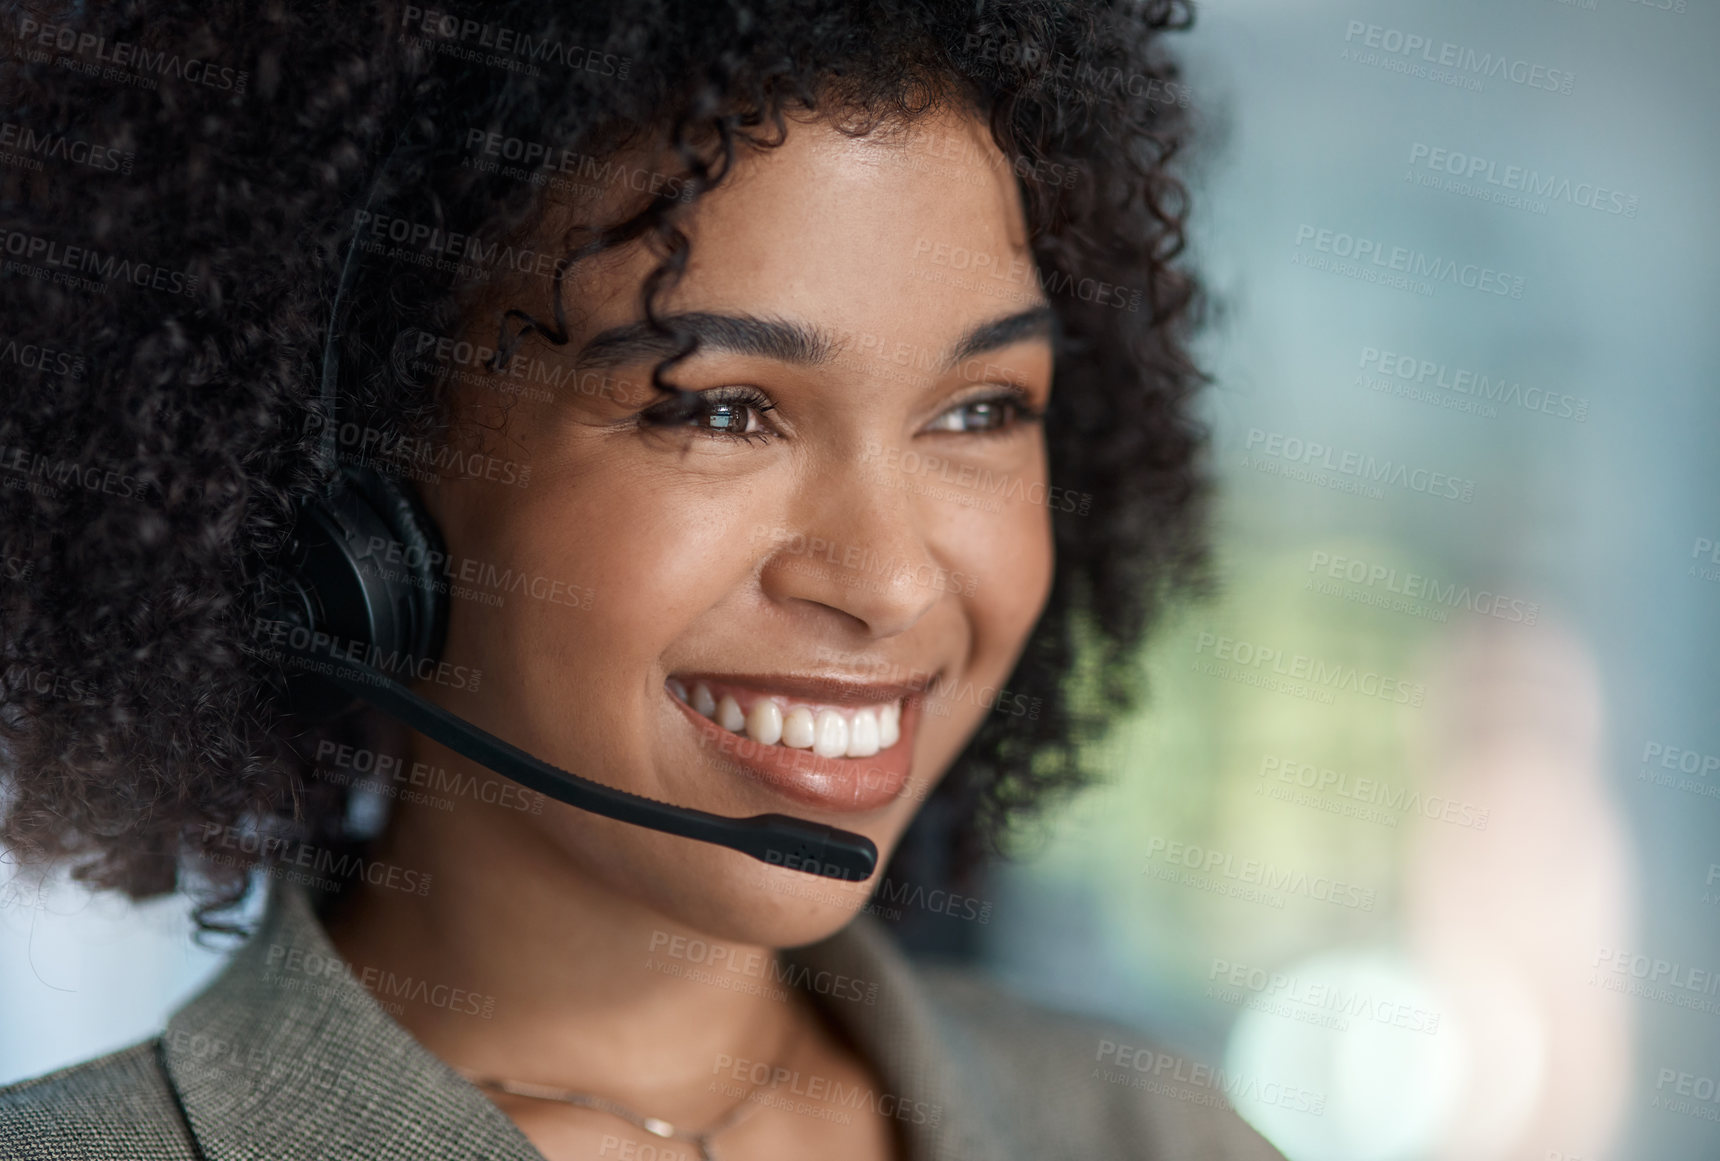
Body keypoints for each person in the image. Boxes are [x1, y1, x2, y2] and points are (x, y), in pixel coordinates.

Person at [0, 1, 1284, 1157]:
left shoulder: (1145, 1130)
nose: (890, 582)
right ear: (353, 507)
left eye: (980, 410)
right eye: (721, 412)